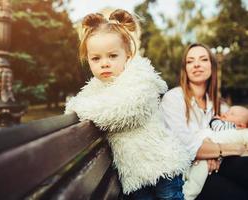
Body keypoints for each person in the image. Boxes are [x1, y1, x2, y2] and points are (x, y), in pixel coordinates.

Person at [65, 9, 191, 200]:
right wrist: (76, 107)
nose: (104, 64)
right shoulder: (97, 87)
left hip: (163, 167)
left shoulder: (140, 79)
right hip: (134, 175)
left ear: (128, 54)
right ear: (88, 60)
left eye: (112, 56)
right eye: (96, 58)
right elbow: (73, 109)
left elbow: (125, 112)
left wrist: (81, 108)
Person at [161, 43, 248, 200]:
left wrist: (213, 152)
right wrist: (226, 149)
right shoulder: (173, 99)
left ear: (212, 66)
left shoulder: (221, 106)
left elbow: (239, 132)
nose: (196, 64)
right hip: (188, 177)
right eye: (190, 61)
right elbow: (187, 146)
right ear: (185, 69)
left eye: (203, 59)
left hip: (220, 165)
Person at [182, 105, 248, 200]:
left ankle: (188, 193)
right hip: (206, 151)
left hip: (216, 153)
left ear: (241, 125)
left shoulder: (230, 127)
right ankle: (187, 194)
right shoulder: (222, 123)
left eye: (232, 114)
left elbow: (218, 127)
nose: (226, 114)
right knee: (198, 176)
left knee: (197, 178)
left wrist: (215, 120)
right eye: (228, 111)